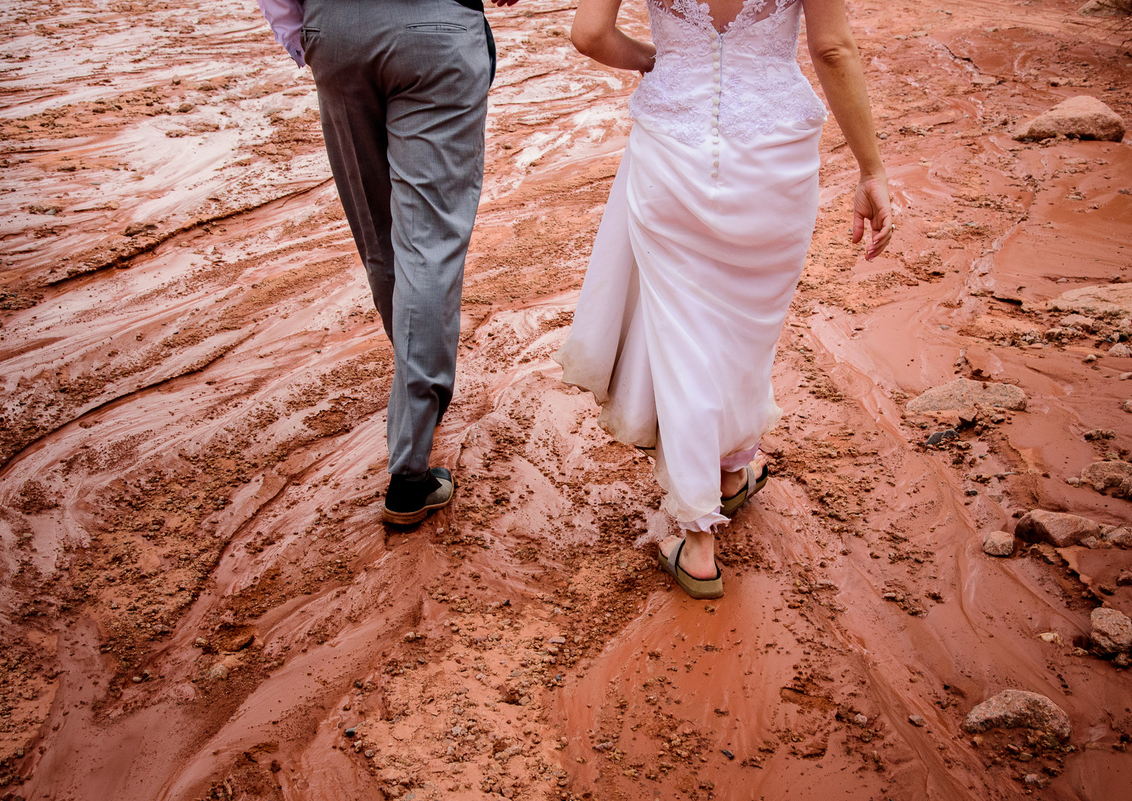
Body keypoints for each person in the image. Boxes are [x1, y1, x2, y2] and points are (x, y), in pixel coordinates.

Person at [555, 0, 893, 598]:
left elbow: (589, 34)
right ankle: (728, 478)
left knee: (685, 337)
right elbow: (832, 48)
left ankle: (701, 532)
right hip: (774, 157)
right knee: (745, 329)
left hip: (672, 148)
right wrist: (871, 169)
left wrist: (654, 60)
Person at [255, 0, 518, 525]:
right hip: (436, 30)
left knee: (380, 238)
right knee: (430, 244)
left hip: (336, 32)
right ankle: (411, 466)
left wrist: (301, 34)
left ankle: (416, 392)